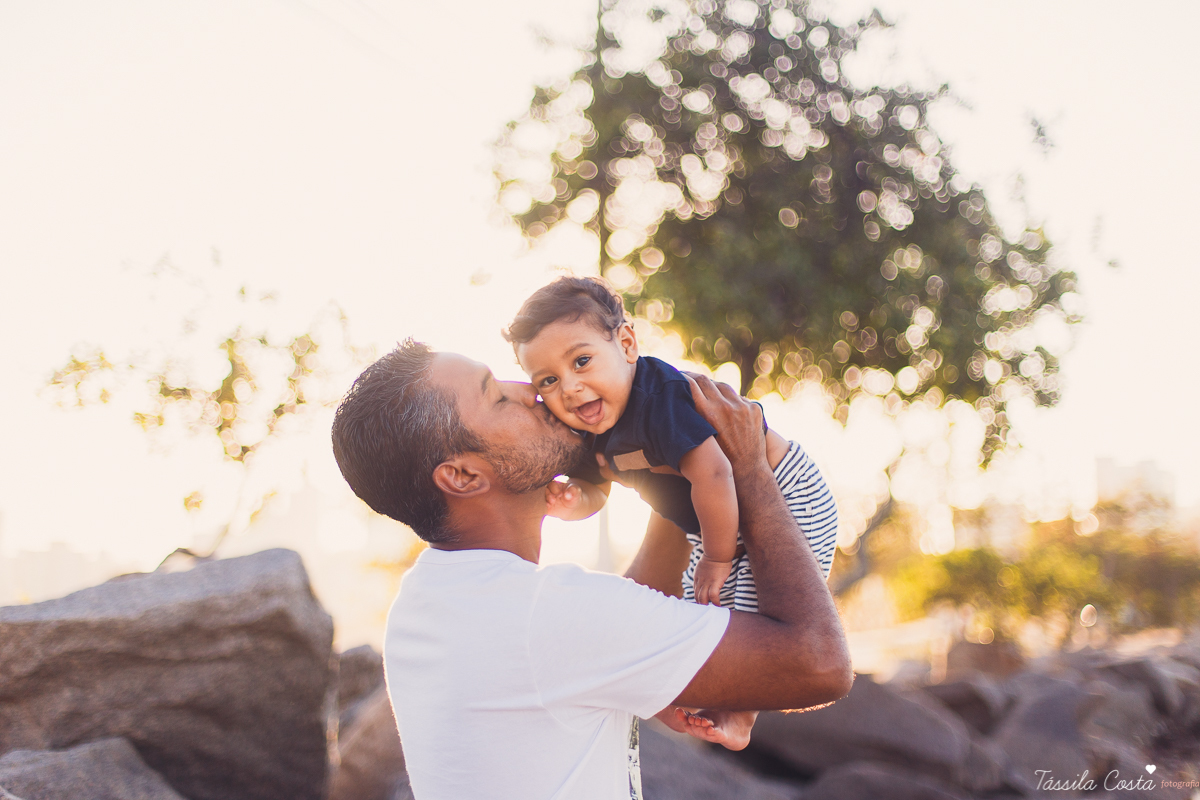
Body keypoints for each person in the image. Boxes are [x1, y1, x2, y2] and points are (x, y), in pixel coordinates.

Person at [330, 339, 851, 800]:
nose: (530, 389)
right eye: (496, 396)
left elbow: (611, 630)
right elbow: (819, 663)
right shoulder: (546, 615)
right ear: (463, 476)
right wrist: (747, 466)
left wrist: (671, 460)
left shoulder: (428, 600)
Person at [505, 276, 839, 748]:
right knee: (696, 612)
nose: (573, 389)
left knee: (748, 610)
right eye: (550, 381)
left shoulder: (660, 398)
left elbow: (715, 475)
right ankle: (717, 698)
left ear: (625, 344)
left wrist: (718, 558)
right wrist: (573, 501)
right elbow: (597, 490)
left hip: (784, 491)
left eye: (582, 361)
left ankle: (742, 715)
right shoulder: (592, 425)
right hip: (715, 524)